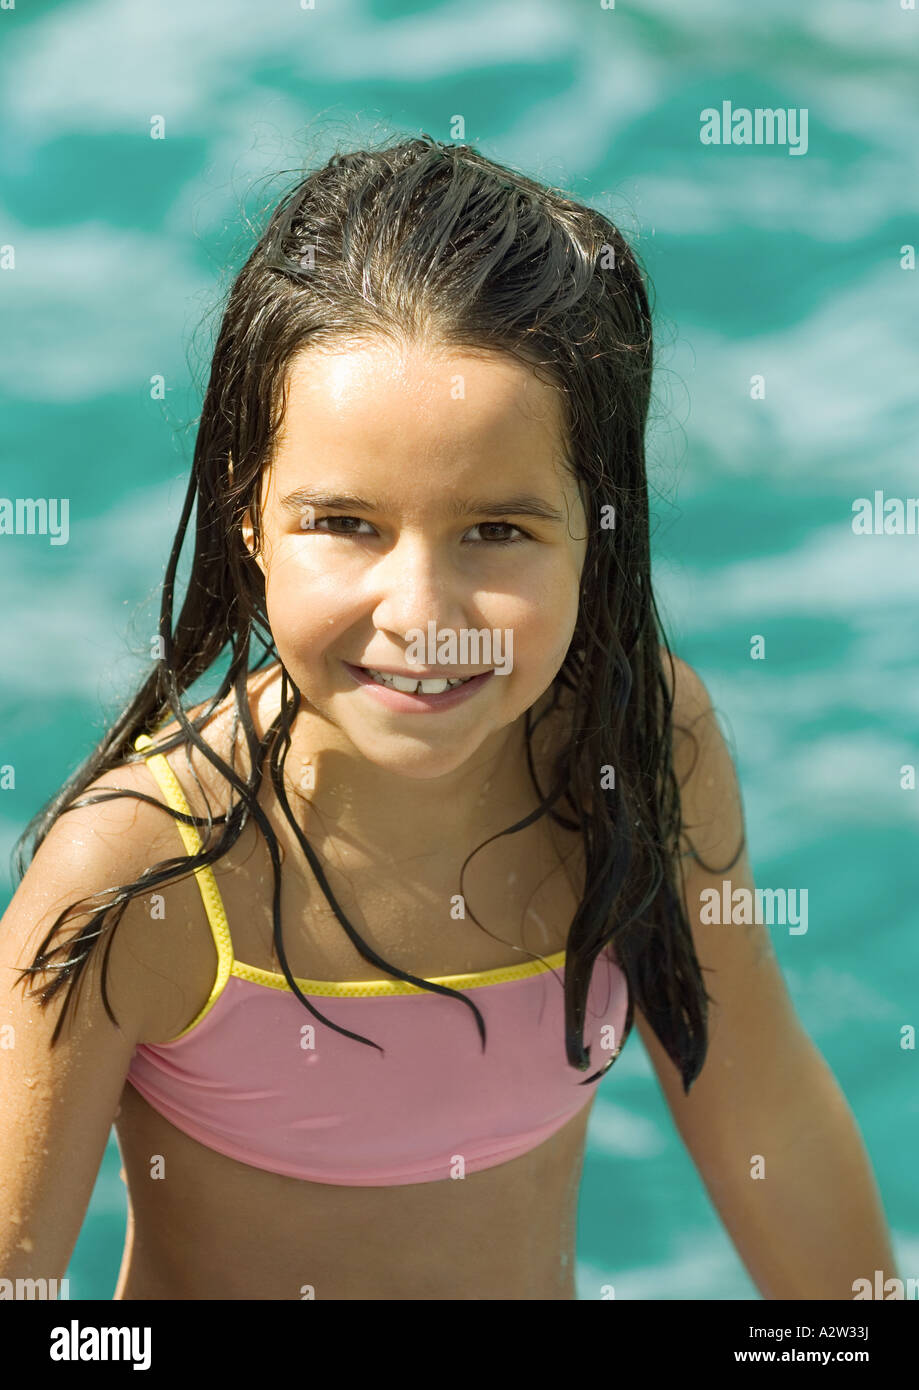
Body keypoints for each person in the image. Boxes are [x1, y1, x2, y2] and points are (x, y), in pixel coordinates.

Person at [0, 134, 897, 1301]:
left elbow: (758, 1105)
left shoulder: (635, 746)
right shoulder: (144, 871)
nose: (422, 615)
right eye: (346, 523)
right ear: (249, 514)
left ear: (599, 523)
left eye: (497, 531)